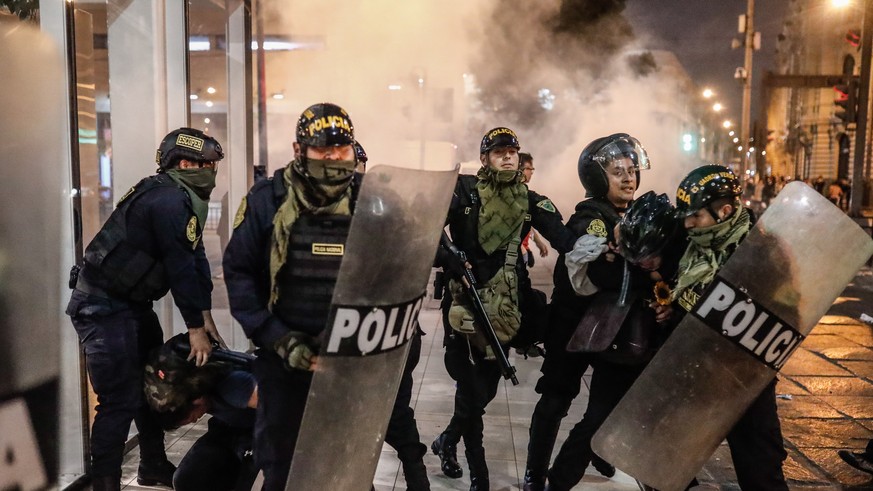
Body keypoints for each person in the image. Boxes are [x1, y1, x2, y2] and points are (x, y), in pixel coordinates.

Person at [223, 103, 430, 490]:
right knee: (284, 470)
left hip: (352, 363)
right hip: (284, 360)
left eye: (341, 150)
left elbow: (403, 270)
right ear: (299, 150)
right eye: (323, 150)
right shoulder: (267, 201)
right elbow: (240, 274)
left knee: (349, 468)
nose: (334, 158)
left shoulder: (378, 202)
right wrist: (277, 338)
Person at [66, 127, 225, 491]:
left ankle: (152, 465)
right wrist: (195, 329)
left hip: (131, 305)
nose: (212, 173)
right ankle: (105, 483)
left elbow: (194, 257)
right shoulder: (166, 200)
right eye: (208, 165)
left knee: (150, 383)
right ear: (185, 163)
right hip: (101, 307)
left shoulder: (182, 198)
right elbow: (179, 267)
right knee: (118, 399)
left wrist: (204, 316)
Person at [432, 127, 580, 491]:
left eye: (512, 151)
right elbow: (428, 226)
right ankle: (479, 479)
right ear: (485, 159)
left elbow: (563, 237)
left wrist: (599, 247)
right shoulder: (465, 190)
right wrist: (449, 256)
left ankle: (447, 441)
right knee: (472, 394)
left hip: (504, 311)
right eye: (499, 152)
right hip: (464, 308)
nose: (508, 156)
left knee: (484, 394)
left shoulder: (530, 200)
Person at [525, 133, 651, 491]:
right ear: (598, 178)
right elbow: (597, 264)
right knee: (556, 399)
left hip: (612, 327)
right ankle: (535, 473)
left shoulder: (636, 213)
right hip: (573, 322)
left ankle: (598, 452)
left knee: (606, 407)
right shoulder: (592, 218)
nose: (628, 178)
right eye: (617, 172)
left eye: (631, 170)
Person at [669, 164, 789, 490]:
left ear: (724, 211)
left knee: (761, 470)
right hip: (696, 371)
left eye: (695, 216)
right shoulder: (692, 243)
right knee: (667, 464)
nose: (687, 223)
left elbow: (788, 311)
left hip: (745, 379)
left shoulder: (764, 249)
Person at [143, 333, 258, 491]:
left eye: (191, 418)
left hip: (262, 431)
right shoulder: (190, 386)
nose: (195, 421)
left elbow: (283, 410)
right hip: (228, 428)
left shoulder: (235, 388)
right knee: (185, 480)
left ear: (196, 401)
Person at [519, 152, 550, 267]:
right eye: (529, 168)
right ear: (519, 169)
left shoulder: (524, 192)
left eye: (533, 169)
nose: (531, 172)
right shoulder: (514, 195)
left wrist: (537, 242)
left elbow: (525, 221)